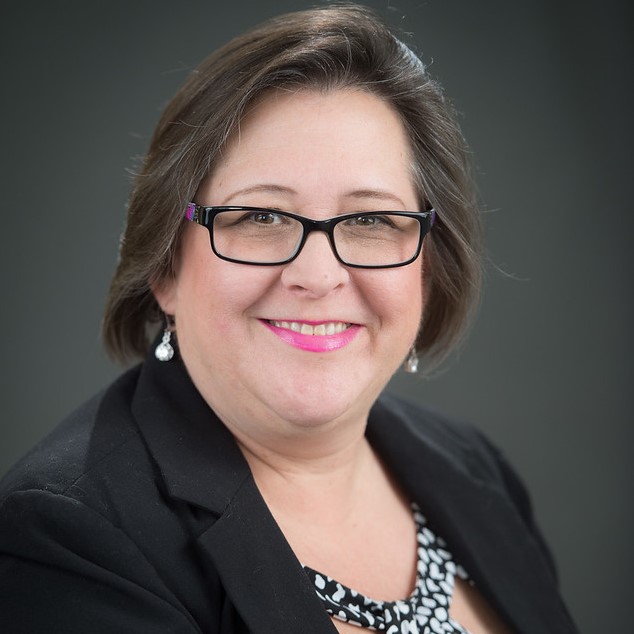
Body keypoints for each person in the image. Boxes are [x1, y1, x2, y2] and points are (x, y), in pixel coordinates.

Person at [0, 5, 577, 633]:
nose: (318, 275)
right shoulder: (70, 535)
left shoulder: (473, 468)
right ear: (165, 265)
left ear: (427, 269)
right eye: (262, 217)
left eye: (370, 221)